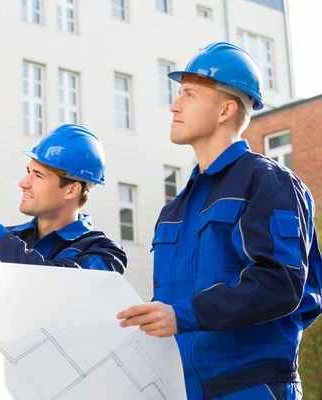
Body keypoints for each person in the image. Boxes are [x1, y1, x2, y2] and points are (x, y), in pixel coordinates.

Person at [116, 42, 322, 400]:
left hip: (252, 389)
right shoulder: (175, 210)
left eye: (190, 94)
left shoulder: (268, 183)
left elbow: (283, 285)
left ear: (226, 109)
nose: (174, 105)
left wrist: (185, 316)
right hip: (182, 390)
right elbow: (173, 305)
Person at [0, 123, 127, 273]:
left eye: (38, 176)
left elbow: (49, 282)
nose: (23, 183)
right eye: (28, 172)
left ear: (71, 190)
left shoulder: (104, 253)